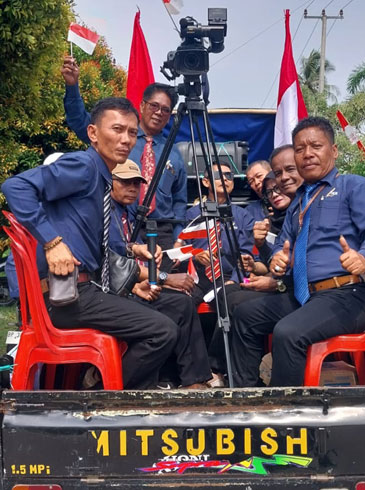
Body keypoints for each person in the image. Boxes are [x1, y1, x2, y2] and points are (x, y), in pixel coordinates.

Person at [2, 97, 179, 390]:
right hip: (68, 297)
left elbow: (94, 246)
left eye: (132, 133)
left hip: (82, 291)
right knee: (161, 330)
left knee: (168, 312)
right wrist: (52, 242)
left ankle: (109, 389)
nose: (125, 140)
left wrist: (135, 267)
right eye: (117, 129)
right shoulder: (84, 165)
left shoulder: (102, 177)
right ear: (94, 134)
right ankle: (103, 399)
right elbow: (15, 186)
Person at [231, 116, 365, 388]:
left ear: (334, 150)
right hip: (307, 296)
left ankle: (288, 416)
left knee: (288, 333)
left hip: (348, 294)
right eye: (300, 148)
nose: (307, 154)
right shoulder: (298, 202)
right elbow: (282, 251)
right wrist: (277, 260)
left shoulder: (354, 186)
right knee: (244, 316)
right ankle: (248, 395)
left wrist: (364, 257)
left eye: (315, 146)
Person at [61, 57, 187, 268]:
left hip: (163, 232)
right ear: (142, 105)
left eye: (166, 109)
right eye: (154, 105)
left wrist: (178, 238)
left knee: (167, 290)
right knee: (127, 289)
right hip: (122, 224)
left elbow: (180, 201)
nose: (159, 112)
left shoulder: (173, 152)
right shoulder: (119, 140)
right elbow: (79, 121)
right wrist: (72, 86)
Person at [109, 159, 212, 389]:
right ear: (110, 182)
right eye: (125, 182)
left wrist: (143, 259)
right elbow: (111, 262)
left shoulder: (125, 214)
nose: (133, 188)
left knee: (183, 303)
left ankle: (194, 381)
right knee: (165, 323)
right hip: (110, 295)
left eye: (137, 183)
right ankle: (114, 384)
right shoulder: (106, 212)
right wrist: (163, 279)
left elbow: (126, 254)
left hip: (127, 288)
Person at [185, 161, 254, 306]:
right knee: (182, 302)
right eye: (218, 175)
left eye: (229, 176)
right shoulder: (192, 214)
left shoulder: (243, 216)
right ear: (205, 182)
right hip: (198, 278)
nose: (225, 179)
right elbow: (182, 248)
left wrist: (234, 280)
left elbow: (246, 256)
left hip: (229, 277)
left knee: (230, 297)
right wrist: (195, 255)